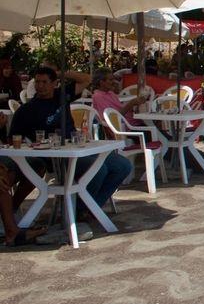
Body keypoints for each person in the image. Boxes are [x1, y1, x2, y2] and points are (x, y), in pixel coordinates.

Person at [7, 66, 132, 227]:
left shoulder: (62, 96)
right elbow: (13, 138)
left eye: (45, 82)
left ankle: (88, 208)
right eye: (37, 82)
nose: (40, 86)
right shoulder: (26, 110)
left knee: (122, 165)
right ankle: (79, 211)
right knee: (98, 170)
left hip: (78, 148)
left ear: (54, 83)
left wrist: (60, 72)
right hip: (54, 158)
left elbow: (86, 78)